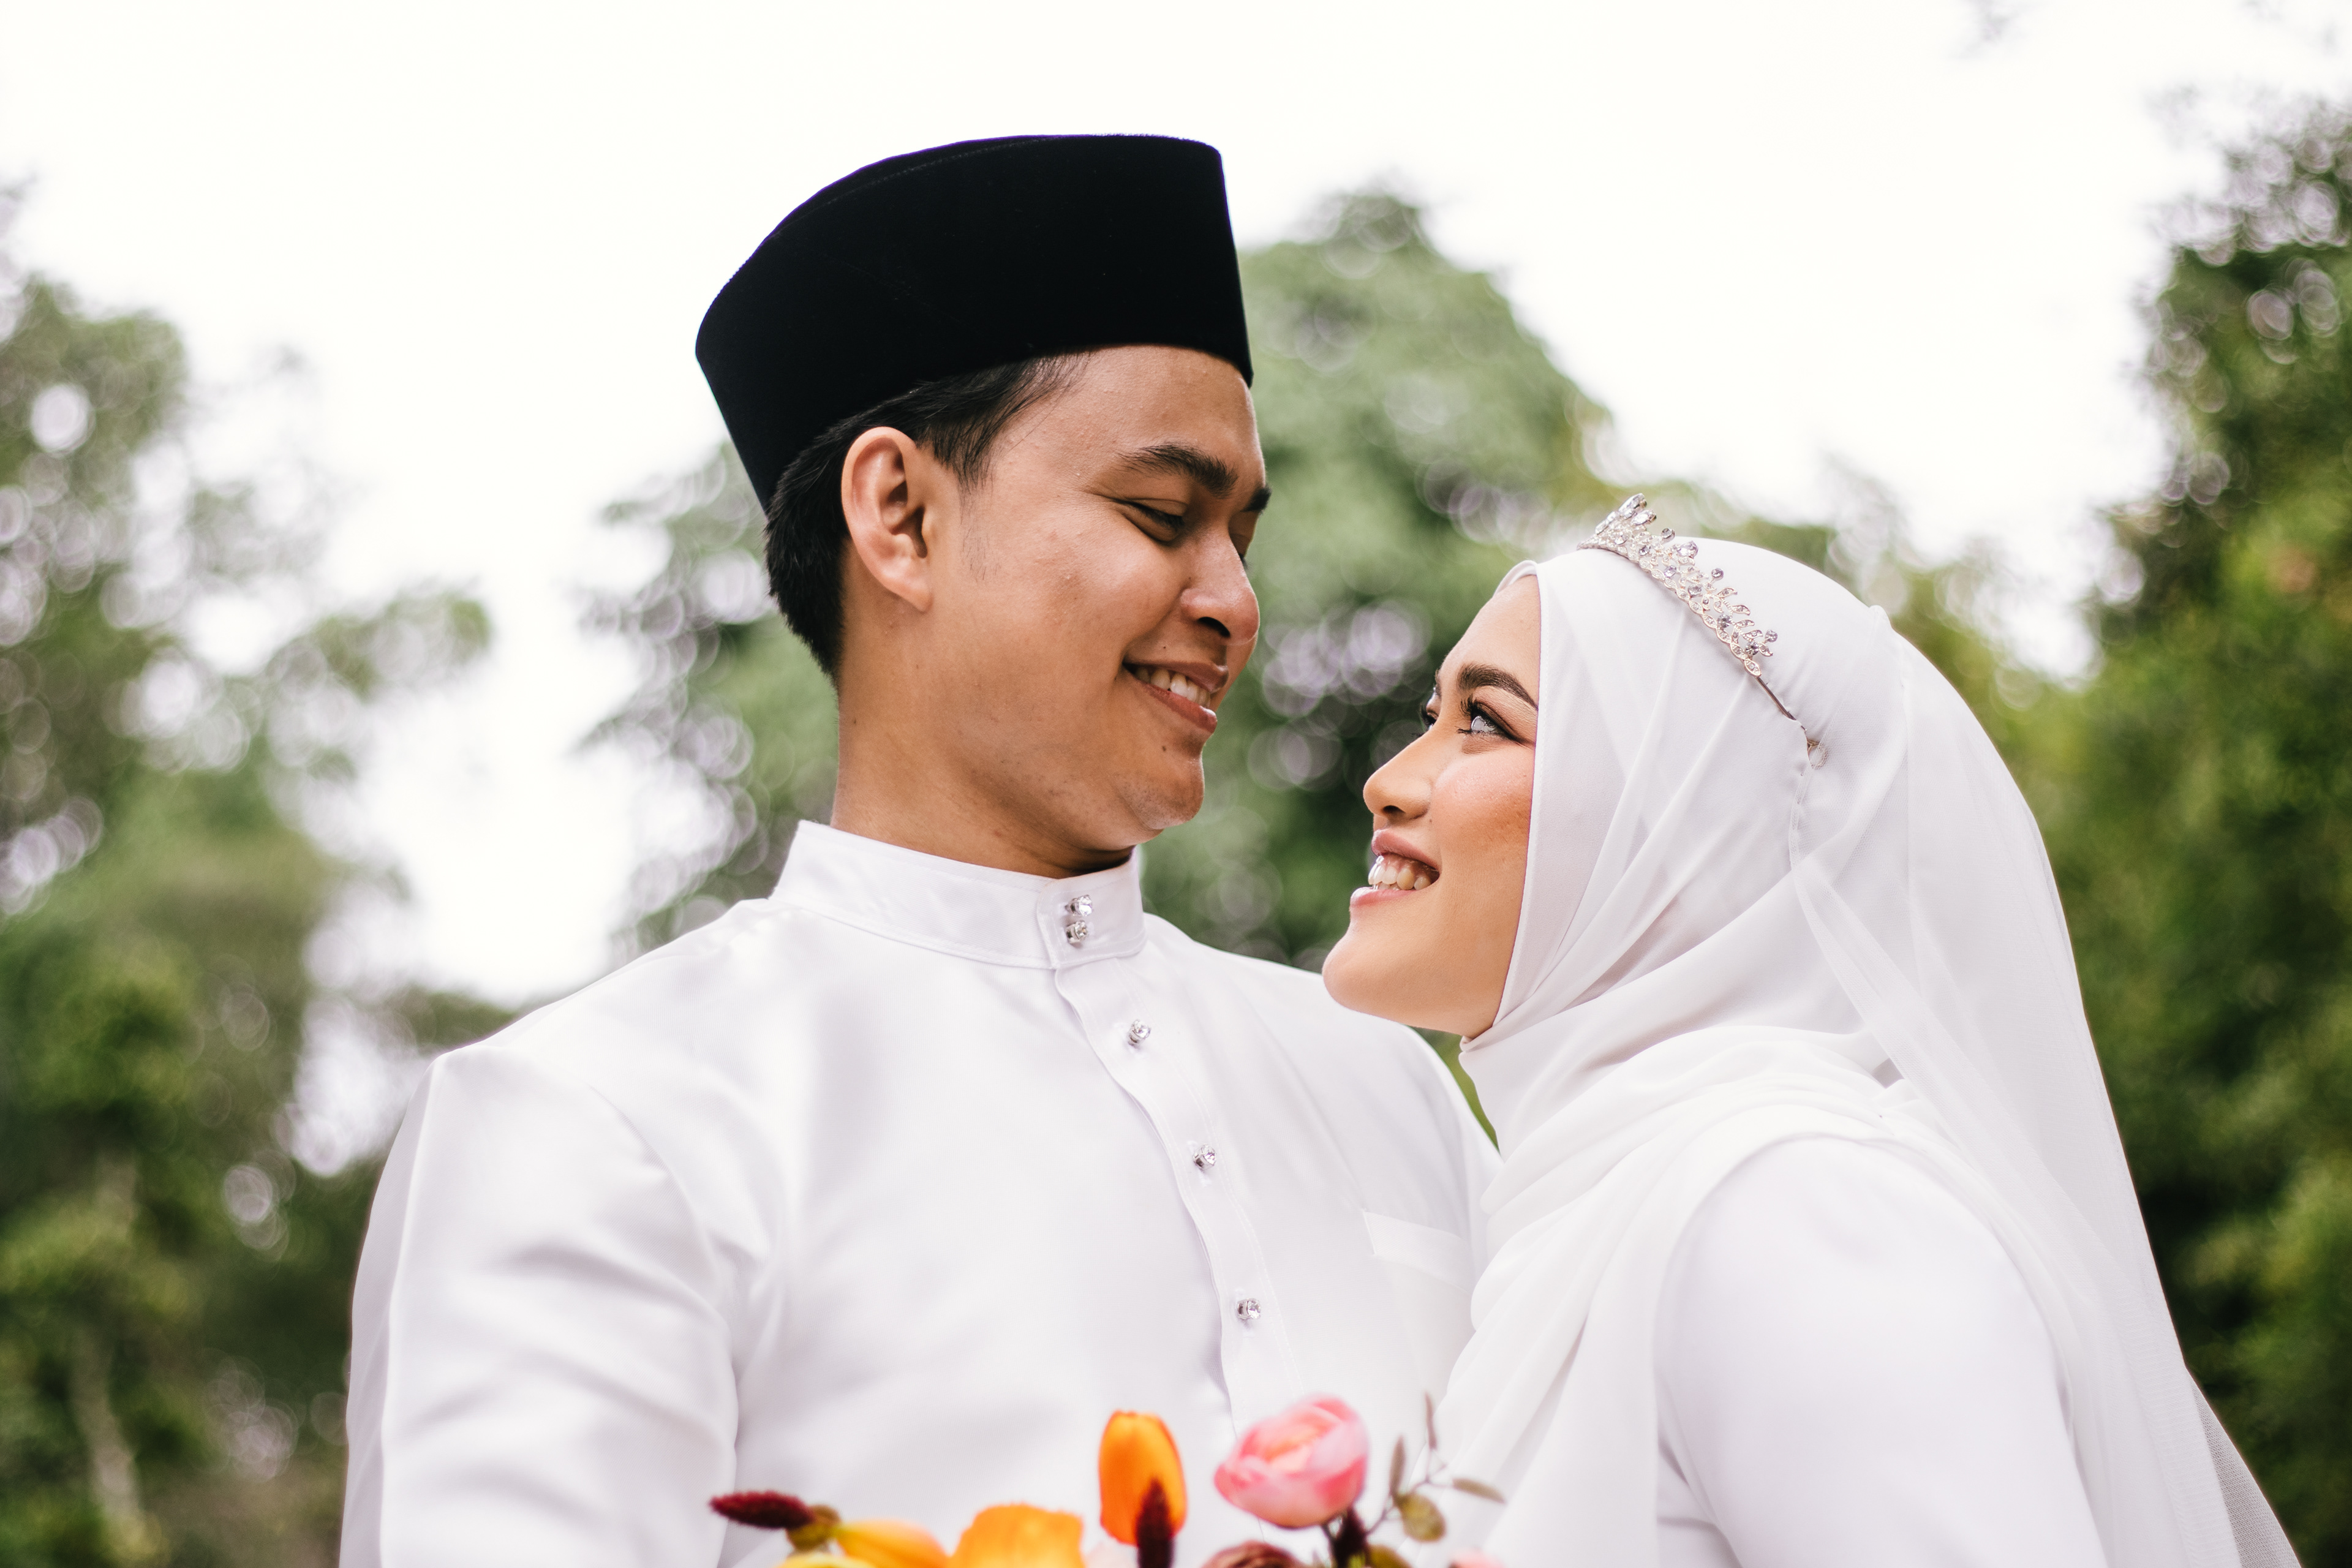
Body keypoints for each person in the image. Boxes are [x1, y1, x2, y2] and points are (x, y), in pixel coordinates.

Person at [341, 136, 1494, 1567]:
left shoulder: (1381, 1077)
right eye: (1161, 515)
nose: (1235, 601)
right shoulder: (601, 1122)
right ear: (900, 516)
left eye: (1242, 537)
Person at [1321, 496, 2298, 1567]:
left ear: (1685, 825)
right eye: (1432, 715)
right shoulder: (1588, 1224)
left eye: (1487, 721)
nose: (1389, 782)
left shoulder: (1792, 1206)